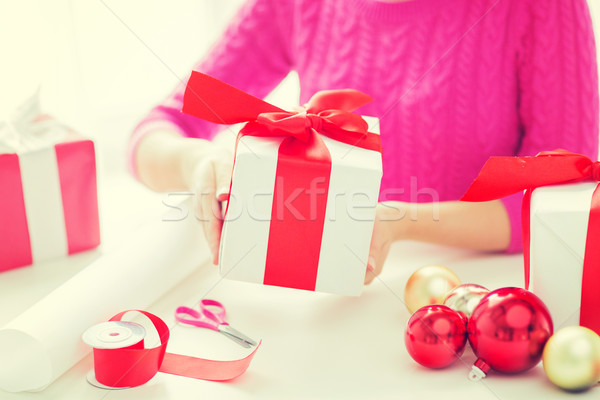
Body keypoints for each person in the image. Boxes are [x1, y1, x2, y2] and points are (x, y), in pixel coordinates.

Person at [129, 0, 599, 284]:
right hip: (326, 304)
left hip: (477, 305)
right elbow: (159, 128)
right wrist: (199, 163)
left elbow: (558, 196)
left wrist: (397, 220)